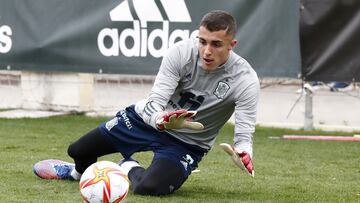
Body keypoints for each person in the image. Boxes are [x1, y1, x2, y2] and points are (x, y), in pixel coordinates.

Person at [33, 10, 260, 196]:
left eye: (216, 44)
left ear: (232, 44)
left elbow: (243, 135)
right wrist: (161, 120)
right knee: (78, 150)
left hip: (186, 144)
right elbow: (156, 101)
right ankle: (78, 173)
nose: (207, 51)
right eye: (202, 41)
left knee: (148, 188)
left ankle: (127, 166)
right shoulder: (180, 53)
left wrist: (243, 151)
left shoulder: (245, 80)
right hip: (145, 122)